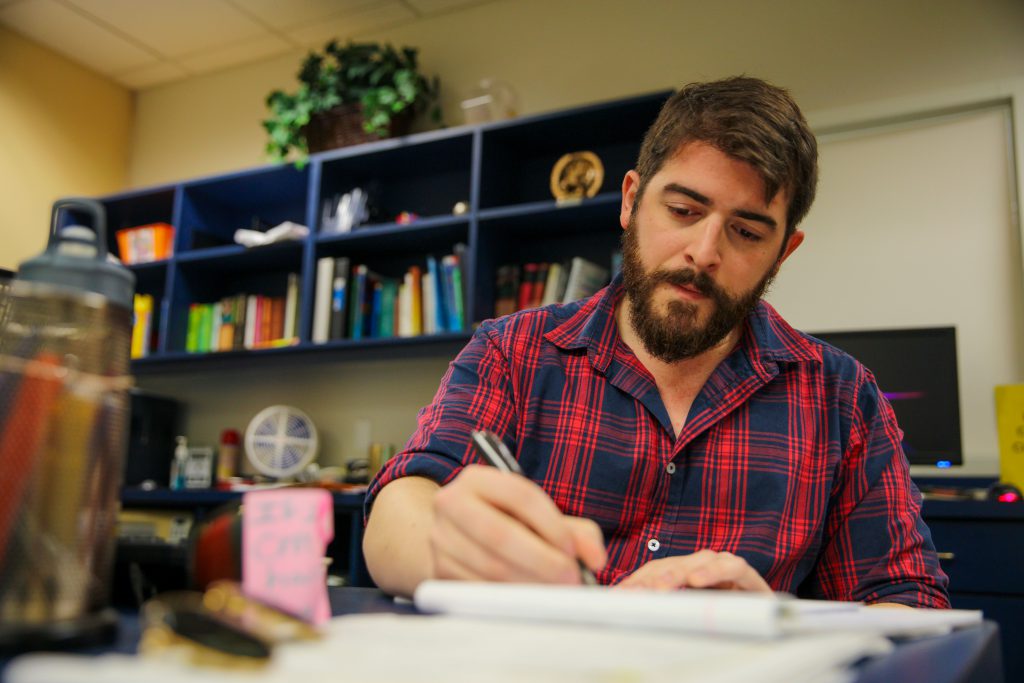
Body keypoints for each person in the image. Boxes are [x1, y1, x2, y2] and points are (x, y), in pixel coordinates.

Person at [362, 76, 950, 608]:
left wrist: (780, 620)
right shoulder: (512, 352)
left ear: (783, 253)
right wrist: (450, 552)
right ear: (630, 200)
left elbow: (907, 600)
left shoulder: (841, 397)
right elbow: (398, 514)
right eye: (683, 209)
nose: (704, 252)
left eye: (746, 232)